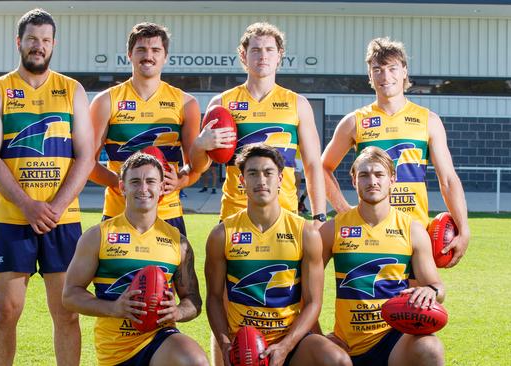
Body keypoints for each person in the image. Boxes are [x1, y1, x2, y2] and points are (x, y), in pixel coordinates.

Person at [0, 9, 93, 366]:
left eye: (45, 41)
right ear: (19, 42)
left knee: (67, 312)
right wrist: (28, 205)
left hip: (63, 219)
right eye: (32, 40)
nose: (38, 47)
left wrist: (55, 206)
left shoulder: (72, 90)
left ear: (53, 45)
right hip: (13, 219)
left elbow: (86, 157)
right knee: (7, 311)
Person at [321, 37, 469, 267]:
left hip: (414, 233)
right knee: (366, 300)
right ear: (370, 76)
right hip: (369, 234)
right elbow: (322, 168)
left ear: (404, 72)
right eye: (377, 69)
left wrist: (464, 228)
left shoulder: (427, 120)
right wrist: (343, 209)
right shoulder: (355, 122)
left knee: (418, 300)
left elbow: (448, 179)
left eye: (392, 69)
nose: (385, 76)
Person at [205, 144, 351, 366]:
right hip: (244, 345)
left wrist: (285, 346)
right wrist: (226, 344)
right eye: (252, 173)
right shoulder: (222, 234)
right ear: (242, 181)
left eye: (268, 172)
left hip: (290, 340)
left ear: (281, 179)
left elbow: (313, 302)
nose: (261, 180)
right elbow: (214, 298)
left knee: (337, 360)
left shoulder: (306, 232)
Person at [63, 152, 208, 366]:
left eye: (150, 181)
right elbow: (70, 295)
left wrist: (177, 311)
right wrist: (114, 309)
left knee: (194, 361)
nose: (143, 189)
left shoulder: (178, 242)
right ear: (122, 187)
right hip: (115, 349)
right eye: (135, 181)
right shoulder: (98, 236)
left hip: (159, 339)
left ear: (161, 187)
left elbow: (193, 300)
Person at [190, 22, 327, 226]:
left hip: (284, 215)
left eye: (269, 49)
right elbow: (199, 166)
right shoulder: (221, 103)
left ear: (279, 55)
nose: (263, 55)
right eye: (255, 50)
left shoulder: (298, 103)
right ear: (243, 56)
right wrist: (200, 144)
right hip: (235, 213)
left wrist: (319, 216)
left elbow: (313, 164)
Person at [320, 146, 445, 366]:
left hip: (394, 340)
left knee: (430, 347)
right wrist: (319, 337)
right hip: (346, 345)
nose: (372, 181)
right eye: (364, 175)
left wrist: (430, 290)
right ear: (354, 180)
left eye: (379, 174)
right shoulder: (333, 229)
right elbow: (302, 288)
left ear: (392, 179)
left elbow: (438, 287)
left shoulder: (412, 230)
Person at [89, 22, 201, 236]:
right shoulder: (106, 101)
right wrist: (122, 183)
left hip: (168, 214)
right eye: (141, 49)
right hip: (118, 213)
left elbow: (194, 166)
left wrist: (179, 181)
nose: (148, 56)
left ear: (165, 56)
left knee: (175, 271)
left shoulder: (186, 103)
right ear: (129, 54)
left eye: (155, 50)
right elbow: (87, 164)